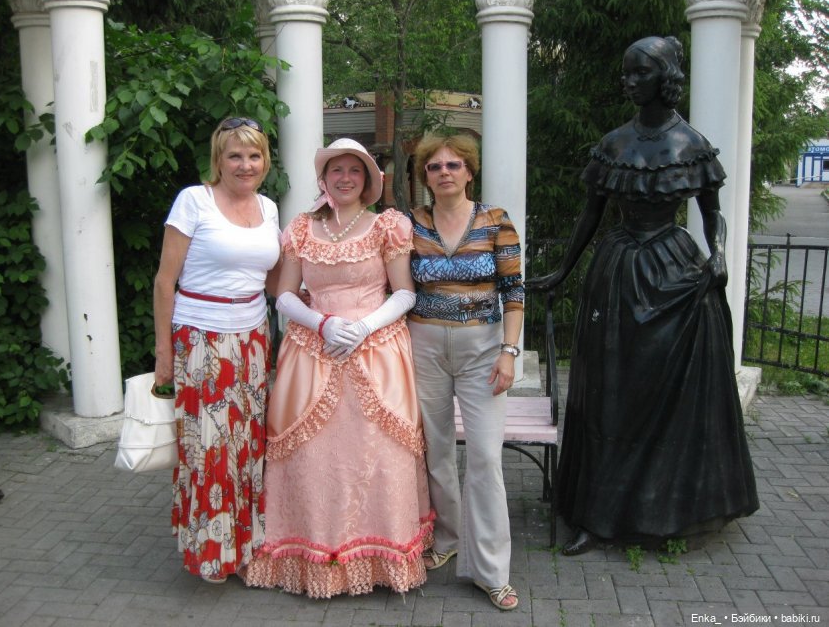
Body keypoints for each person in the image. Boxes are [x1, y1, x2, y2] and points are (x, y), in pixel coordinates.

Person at [527, 36, 759, 555]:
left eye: (640, 73)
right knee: (608, 394)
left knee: (665, 396)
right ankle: (596, 515)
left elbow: (712, 212)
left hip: (674, 272)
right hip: (618, 273)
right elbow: (590, 214)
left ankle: (666, 512)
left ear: (665, 78)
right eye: (626, 73)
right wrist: (562, 271)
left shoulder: (691, 144)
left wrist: (719, 254)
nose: (629, 82)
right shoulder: (614, 144)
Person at [242, 138, 434, 598]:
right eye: (336, 170)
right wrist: (323, 323)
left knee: (375, 453)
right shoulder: (302, 228)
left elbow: (404, 292)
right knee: (314, 458)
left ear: (367, 180)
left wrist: (363, 327)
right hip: (312, 350)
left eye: (354, 170)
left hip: (376, 349)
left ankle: (380, 555)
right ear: (324, 179)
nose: (345, 178)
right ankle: (312, 552)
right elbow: (284, 295)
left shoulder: (387, 226)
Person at [153, 117, 281, 583]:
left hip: (253, 338)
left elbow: (272, 280)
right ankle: (211, 552)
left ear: (265, 161)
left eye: (254, 155)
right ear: (218, 160)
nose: (245, 165)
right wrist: (163, 353)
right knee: (209, 448)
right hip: (202, 339)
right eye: (235, 155)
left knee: (246, 447)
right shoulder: (194, 201)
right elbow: (164, 281)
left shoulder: (269, 208)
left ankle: (245, 546)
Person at [407, 133, 524, 611]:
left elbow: (514, 291)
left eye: (453, 165)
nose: (444, 173)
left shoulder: (495, 220)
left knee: (485, 458)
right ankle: (448, 539)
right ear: (425, 176)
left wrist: (509, 352)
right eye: (435, 166)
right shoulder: (410, 223)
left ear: (469, 172)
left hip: (482, 351)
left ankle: (491, 570)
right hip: (424, 348)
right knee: (435, 451)